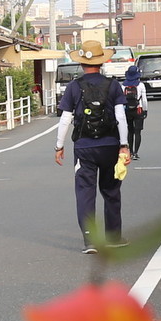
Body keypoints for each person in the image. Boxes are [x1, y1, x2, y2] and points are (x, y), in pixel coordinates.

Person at [53, 40, 131, 254]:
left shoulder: (73, 86)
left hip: (84, 147)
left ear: (81, 64)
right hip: (110, 145)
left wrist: (59, 146)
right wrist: (124, 145)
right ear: (102, 61)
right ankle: (114, 237)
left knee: (85, 192)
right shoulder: (113, 85)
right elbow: (120, 117)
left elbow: (65, 119)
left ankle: (91, 241)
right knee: (111, 190)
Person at [121, 65, 148, 159]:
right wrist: (145, 110)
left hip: (127, 110)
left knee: (130, 131)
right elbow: (144, 100)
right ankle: (136, 152)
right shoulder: (140, 85)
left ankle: (131, 152)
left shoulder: (123, 85)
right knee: (138, 132)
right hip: (138, 109)